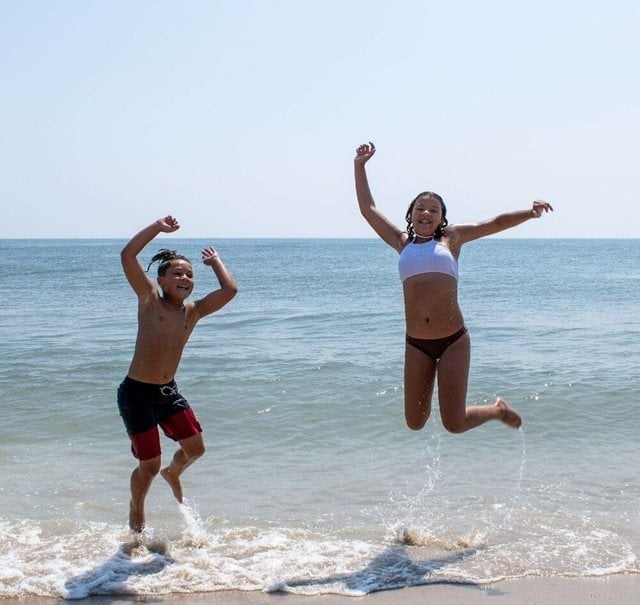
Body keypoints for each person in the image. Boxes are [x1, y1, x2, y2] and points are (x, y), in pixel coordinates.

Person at [354, 142, 552, 434]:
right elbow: (368, 210)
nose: (426, 212)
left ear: (441, 218)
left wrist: (529, 213)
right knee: (414, 422)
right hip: (416, 343)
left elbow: (494, 223)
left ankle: (497, 410)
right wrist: (359, 166)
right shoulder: (401, 243)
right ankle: (496, 410)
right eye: (420, 207)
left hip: (453, 341)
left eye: (433, 209)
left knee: (454, 423)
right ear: (410, 216)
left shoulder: (452, 240)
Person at [118, 215, 238, 532]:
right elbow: (127, 256)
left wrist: (215, 263)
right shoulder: (149, 300)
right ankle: (137, 510)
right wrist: (157, 228)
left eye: (189, 274)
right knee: (148, 465)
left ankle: (174, 472)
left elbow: (230, 290)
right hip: (137, 393)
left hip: (166, 391)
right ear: (160, 280)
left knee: (196, 449)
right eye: (176, 273)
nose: (184, 277)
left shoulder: (192, 312)